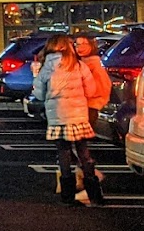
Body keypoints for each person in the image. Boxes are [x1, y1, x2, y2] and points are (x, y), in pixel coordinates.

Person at [32, 34, 105, 206]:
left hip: (57, 116)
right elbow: (91, 90)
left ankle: (67, 196)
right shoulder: (78, 65)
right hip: (78, 115)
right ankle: (94, 194)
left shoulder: (47, 68)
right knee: (83, 152)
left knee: (63, 152)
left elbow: (39, 94)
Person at [73, 34, 113, 130]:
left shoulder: (94, 65)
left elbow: (104, 87)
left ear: (92, 45)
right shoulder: (79, 64)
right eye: (78, 44)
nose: (80, 48)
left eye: (84, 44)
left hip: (89, 107)